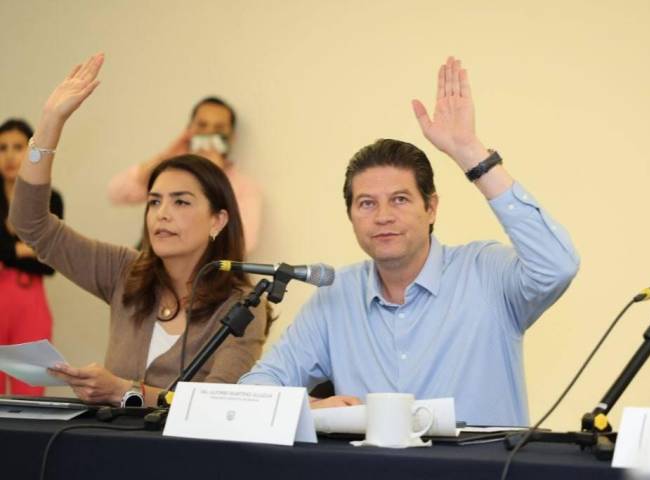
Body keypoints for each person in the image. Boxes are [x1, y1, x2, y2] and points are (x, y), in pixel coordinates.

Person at [240, 57, 580, 426]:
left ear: (431, 208)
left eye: (400, 200)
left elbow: (556, 266)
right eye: (366, 203)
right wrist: (309, 410)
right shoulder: (337, 295)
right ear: (350, 215)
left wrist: (471, 153)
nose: (383, 216)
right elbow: (255, 389)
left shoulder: (485, 272)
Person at [9, 54, 269, 407]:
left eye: (181, 202)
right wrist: (50, 123)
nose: (162, 214)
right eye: (154, 201)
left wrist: (126, 391)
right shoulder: (124, 270)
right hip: (103, 441)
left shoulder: (243, 307)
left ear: (217, 221)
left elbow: (218, 404)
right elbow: (31, 224)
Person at [107, 96, 262, 253]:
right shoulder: (171, 173)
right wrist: (166, 155)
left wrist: (214, 177)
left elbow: (243, 242)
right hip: (153, 260)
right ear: (189, 131)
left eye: (219, 128)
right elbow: (117, 192)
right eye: (202, 125)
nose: (209, 133)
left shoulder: (243, 187)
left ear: (232, 137)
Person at [0, 118, 64, 395]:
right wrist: (26, 248)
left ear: (31, 152)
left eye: (18, 147)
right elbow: (33, 249)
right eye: (2, 148)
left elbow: (50, 260)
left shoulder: (50, 198)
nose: (9, 156)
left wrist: (9, 249)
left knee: (31, 391)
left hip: (30, 300)